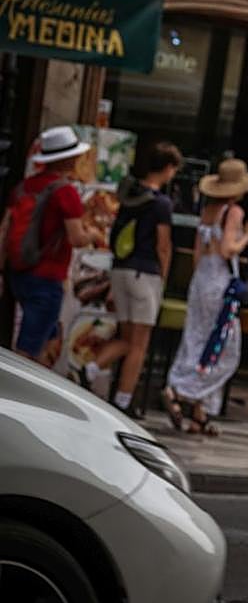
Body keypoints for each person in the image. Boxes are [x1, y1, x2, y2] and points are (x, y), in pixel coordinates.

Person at [163, 158, 248, 435]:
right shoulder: (234, 212)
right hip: (219, 282)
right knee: (226, 349)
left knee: (196, 339)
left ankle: (199, 411)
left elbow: (198, 253)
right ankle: (180, 391)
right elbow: (228, 249)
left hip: (201, 280)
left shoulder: (208, 210)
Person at [84, 141, 182, 413]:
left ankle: (90, 368)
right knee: (140, 343)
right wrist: (163, 276)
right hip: (145, 273)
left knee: (127, 337)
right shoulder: (161, 203)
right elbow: (163, 245)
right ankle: (123, 401)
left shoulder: (128, 195)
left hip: (121, 269)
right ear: (168, 168)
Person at [0, 126, 104, 363]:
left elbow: (4, 230)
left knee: (47, 338)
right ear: (70, 159)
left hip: (18, 273)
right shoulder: (66, 192)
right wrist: (94, 234)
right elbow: (76, 237)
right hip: (47, 277)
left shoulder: (23, 187)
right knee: (27, 353)